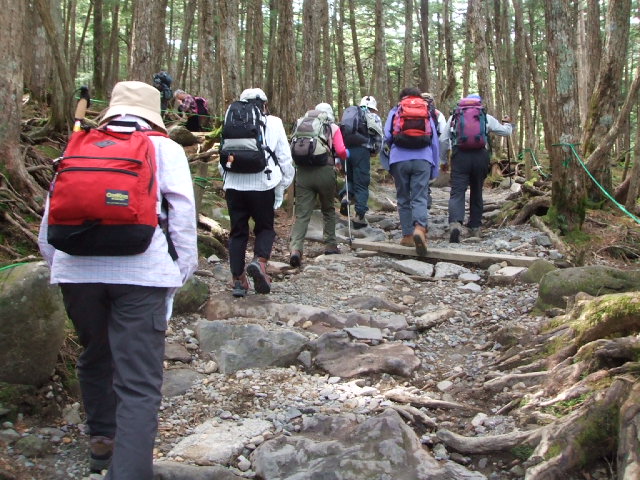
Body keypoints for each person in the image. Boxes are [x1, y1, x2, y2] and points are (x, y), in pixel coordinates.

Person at [38, 81, 198, 479]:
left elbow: (50, 221)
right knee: (138, 381)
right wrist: (177, 274)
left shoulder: (80, 142)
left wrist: (62, 265)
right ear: (154, 114)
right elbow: (181, 214)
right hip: (142, 273)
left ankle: (101, 441)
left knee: (95, 353)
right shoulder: (165, 148)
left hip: (76, 271)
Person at [218, 87, 294, 297]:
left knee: (237, 232)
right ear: (264, 105)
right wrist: (282, 184)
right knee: (265, 228)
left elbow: (223, 155)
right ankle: (259, 262)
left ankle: (238, 280)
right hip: (263, 183)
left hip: (234, 185)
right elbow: (285, 158)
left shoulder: (230, 121)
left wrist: (227, 180)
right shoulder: (274, 122)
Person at [439, 94, 513, 242]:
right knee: (477, 190)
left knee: (457, 192)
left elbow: (443, 139)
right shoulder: (484, 116)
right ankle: (475, 227)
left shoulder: (455, 117)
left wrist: (443, 160)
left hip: (460, 156)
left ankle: (455, 224)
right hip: (480, 156)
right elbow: (505, 132)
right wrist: (508, 124)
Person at [289, 103, 349, 267]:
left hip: (303, 172)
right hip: (325, 171)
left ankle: (296, 249)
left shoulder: (302, 125)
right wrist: (346, 154)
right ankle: (330, 245)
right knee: (328, 209)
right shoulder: (333, 127)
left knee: (302, 213)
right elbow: (341, 151)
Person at [383, 86, 440, 255]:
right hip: (423, 159)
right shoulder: (426, 111)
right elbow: (434, 141)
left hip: (399, 159)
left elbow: (387, 136)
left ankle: (407, 235)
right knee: (419, 196)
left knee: (403, 198)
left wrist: (388, 163)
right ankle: (420, 228)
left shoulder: (396, 111)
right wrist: (434, 167)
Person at [338, 95, 382, 229]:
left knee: (349, 178)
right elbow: (379, 137)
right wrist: (375, 151)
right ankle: (359, 217)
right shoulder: (373, 117)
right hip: (362, 152)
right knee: (362, 183)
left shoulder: (350, 114)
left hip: (346, 150)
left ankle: (346, 195)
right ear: (373, 108)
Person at [421, 92, 449, 210]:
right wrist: (443, 158)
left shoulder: (405, 112)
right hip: (430, 148)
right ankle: (426, 198)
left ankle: (415, 201)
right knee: (425, 174)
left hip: (408, 149)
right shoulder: (437, 114)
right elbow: (443, 136)